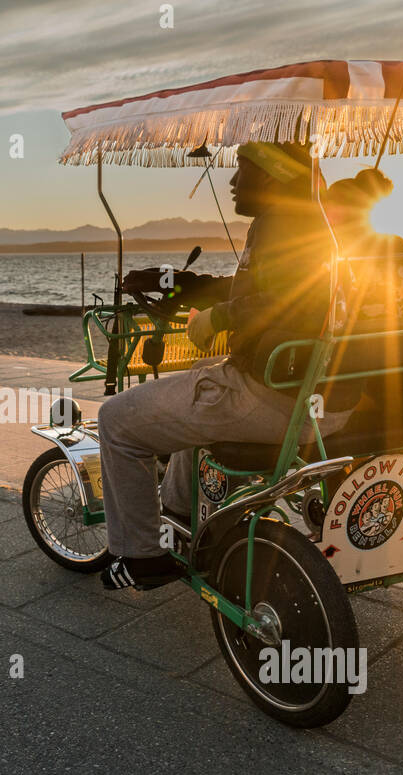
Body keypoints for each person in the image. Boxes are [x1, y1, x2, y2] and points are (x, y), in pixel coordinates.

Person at [97, 140, 358, 591]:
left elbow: (290, 301)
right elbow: (263, 289)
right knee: (195, 384)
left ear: (272, 175)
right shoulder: (317, 220)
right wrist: (184, 284)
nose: (233, 181)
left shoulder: (278, 222)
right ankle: (179, 513)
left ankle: (142, 556)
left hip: (275, 398)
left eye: (241, 168)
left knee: (115, 419)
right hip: (331, 399)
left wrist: (221, 317)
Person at [326, 168, 403, 321]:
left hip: (362, 336)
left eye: (329, 206)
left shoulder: (333, 252)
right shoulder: (400, 245)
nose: (324, 213)